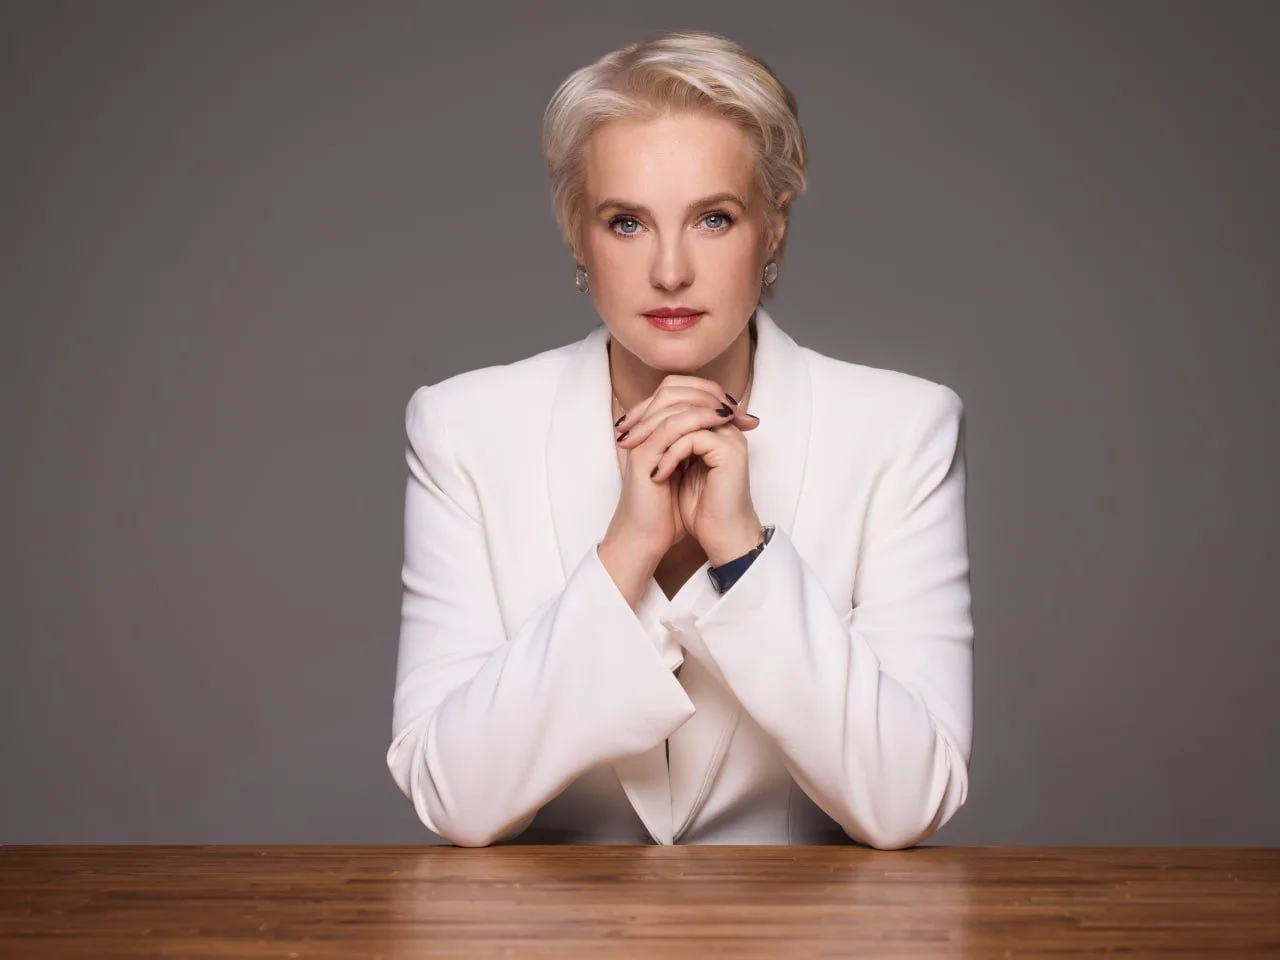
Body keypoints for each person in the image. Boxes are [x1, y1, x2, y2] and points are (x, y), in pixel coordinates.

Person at [386, 30, 973, 848]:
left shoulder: (901, 432)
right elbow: (453, 797)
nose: (670, 271)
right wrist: (625, 551)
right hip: (548, 920)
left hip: (808, 920)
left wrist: (744, 554)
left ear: (773, 226)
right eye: (627, 222)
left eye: (714, 219)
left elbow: (909, 800)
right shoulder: (464, 430)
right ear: (576, 234)